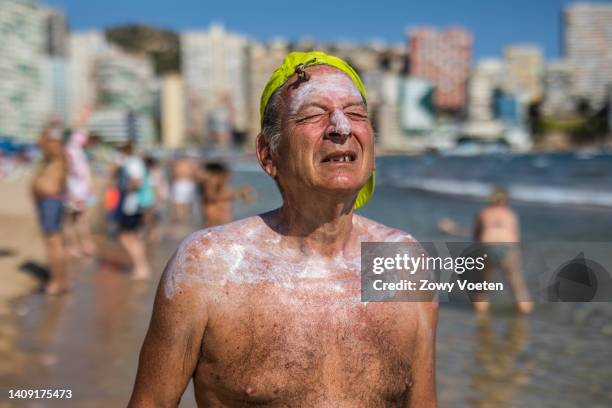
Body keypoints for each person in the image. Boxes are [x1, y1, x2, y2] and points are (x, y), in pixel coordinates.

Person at [129, 51, 438, 407]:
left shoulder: (404, 261)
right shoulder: (207, 266)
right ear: (268, 154)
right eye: (312, 115)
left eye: (356, 113)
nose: (341, 127)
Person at [473, 188, 533, 314]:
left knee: (483, 286)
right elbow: (516, 238)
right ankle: (524, 317)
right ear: (506, 201)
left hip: (487, 246)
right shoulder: (511, 214)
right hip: (508, 247)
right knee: (517, 284)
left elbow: (476, 236)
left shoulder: (483, 212)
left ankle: (481, 319)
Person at [31, 122, 70, 295]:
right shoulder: (55, 159)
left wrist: (46, 128)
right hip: (50, 202)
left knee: (54, 243)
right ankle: (62, 280)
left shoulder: (59, 155)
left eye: (54, 140)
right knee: (55, 242)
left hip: (51, 202)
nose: (50, 143)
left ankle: (57, 282)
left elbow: (41, 142)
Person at [63, 107, 96, 257]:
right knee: (72, 219)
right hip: (73, 190)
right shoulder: (71, 150)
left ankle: (84, 245)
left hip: (79, 190)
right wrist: (82, 119)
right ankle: (75, 246)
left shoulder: (77, 151)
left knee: (77, 218)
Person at [116, 142, 150, 280]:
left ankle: (140, 267)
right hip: (138, 204)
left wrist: (124, 188)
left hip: (132, 205)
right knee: (134, 237)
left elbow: (137, 182)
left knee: (125, 237)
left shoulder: (132, 163)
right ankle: (141, 266)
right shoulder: (137, 162)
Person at [199, 161, 253, 227]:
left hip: (222, 218)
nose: (229, 175)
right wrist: (238, 194)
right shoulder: (210, 183)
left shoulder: (223, 184)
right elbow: (210, 196)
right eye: (225, 173)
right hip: (214, 218)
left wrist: (242, 194)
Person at [170, 154, 197, 223]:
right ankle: (184, 218)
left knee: (180, 203)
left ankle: (181, 218)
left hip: (181, 183)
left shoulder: (177, 164)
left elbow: (173, 174)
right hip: (185, 183)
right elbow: (194, 174)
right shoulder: (190, 165)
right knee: (185, 203)